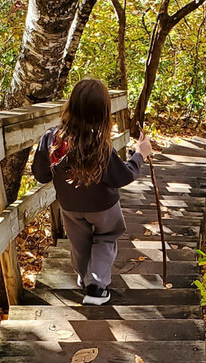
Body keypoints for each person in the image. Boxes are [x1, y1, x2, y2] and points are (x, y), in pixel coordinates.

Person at [31, 78, 152, 305]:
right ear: (104, 112)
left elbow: (41, 174)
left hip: (69, 205)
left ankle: (84, 275)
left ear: (71, 105)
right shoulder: (100, 145)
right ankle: (96, 287)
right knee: (105, 237)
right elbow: (123, 176)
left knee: (80, 242)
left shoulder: (52, 139)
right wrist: (140, 154)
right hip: (103, 206)